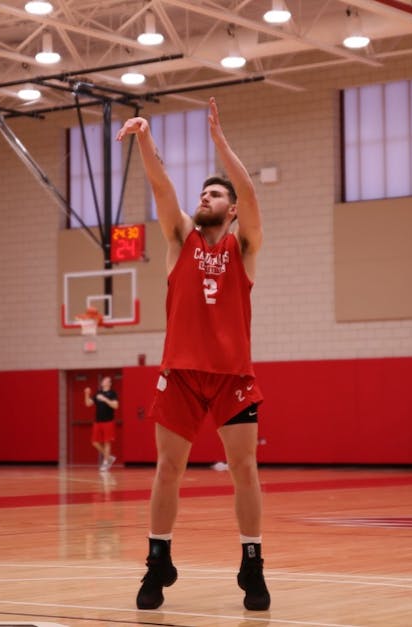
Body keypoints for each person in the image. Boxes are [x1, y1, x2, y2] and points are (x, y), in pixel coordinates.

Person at [116, 97, 270, 612]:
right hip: (180, 372)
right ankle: (158, 561)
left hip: (232, 376)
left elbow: (248, 192)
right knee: (168, 469)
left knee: (244, 468)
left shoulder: (243, 248)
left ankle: (252, 564)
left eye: (214, 193)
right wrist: (144, 139)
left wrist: (221, 146)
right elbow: (162, 186)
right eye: (204, 191)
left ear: (228, 208)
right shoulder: (180, 238)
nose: (206, 196)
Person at [85, 375, 119, 471]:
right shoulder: (98, 393)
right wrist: (87, 394)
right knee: (94, 442)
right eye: (103, 380)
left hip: (108, 421)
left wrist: (105, 399)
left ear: (109, 383)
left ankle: (105, 463)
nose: (103, 381)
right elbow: (88, 404)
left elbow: (116, 406)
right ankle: (109, 457)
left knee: (107, 442)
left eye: (106, 380)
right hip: (98, 421)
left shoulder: (112, 393)